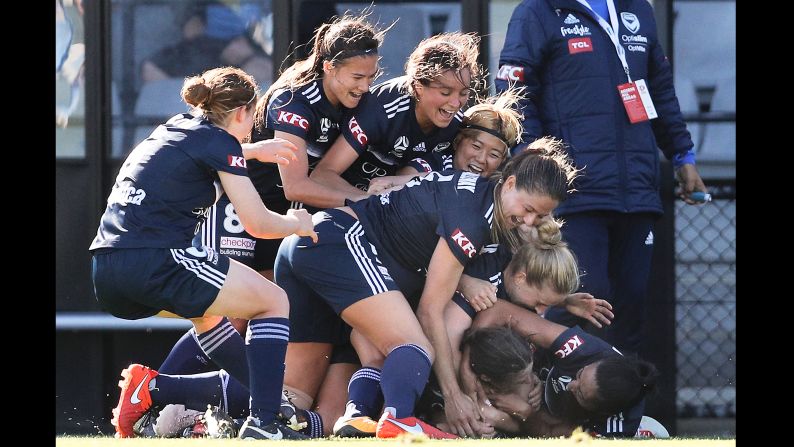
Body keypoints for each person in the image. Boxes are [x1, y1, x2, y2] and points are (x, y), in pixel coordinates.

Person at [275, 143, 578, 438]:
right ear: (510, 183)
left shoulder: (482, 201)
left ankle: (246, 410)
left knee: (295, 399)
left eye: (539, 216)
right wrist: (453, 396)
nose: (527, 222)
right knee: (415, 347)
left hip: (316, 244)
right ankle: (399, 421)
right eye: (527, 209)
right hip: (338, 242)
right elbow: (430, 311)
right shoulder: (474, 220)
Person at [89, 66, 317, 440]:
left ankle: (269, 404)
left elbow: (200, 152)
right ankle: (264, 423)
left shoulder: (176, 125)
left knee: (208, 316)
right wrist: (297, 223)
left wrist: (253, 152)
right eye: (252, 121)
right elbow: (258, 223)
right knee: (274, 300)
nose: (250, 130)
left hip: (107, 269)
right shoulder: (219, 143)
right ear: (243, 112)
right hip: (155, 258)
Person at [495, 0, 709, 355]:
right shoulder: (538, 10)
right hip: (572, 193)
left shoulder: (637, 8)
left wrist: (682, 155)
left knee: (630, 308)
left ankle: (622, 408)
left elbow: (660, 89)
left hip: (637, 189)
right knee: (579, 301)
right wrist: (535, 164)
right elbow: (514, 93)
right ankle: (561, 402)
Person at [310, 32, 481, 195]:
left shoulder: (458, 124)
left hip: (397, 204)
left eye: (464, 93)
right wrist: (370, 203)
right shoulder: (381, 110)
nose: (455, 103)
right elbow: (323, 175)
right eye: (445, 93)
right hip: (353, 199)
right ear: (418, 87)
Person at [467, 298, 660, 437]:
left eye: (581, 394)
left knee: (489, 416)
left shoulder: (609, 431)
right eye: (579, 375)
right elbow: (499, 311)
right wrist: (465, 370)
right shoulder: (585, 350)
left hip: (552, 422)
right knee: (512, 365)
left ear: (603, 412)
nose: (570, 386)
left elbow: (549, 434)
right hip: (539, 381)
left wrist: (525, 412)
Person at [141, 2, 272, 86]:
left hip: (246, 53)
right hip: (201, 53)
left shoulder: (267, 7)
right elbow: (190, 30)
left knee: (262, 70)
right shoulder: (196, 10)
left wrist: (247, 53)